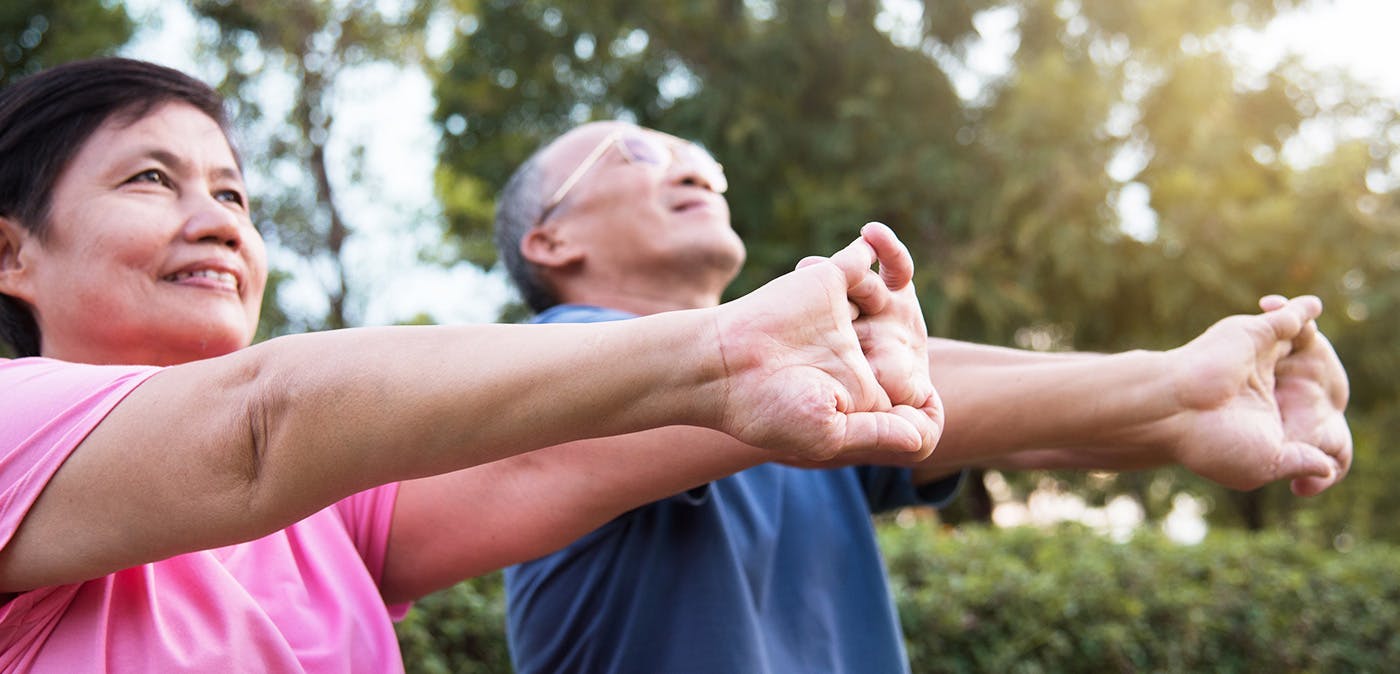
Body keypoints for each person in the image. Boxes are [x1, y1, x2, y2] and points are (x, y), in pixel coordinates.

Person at [0, 58, 945, 672]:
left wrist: (749, 376)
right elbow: (259, 423)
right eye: (150, 179)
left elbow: (544, 457)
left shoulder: (327, 512)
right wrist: (722, 347)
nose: (218, 221)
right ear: (11, 254)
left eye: (234, 193)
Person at [491, 120, 1353, 673]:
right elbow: (867, 385)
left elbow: (998, 423)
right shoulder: (550, 371)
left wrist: (1194, 405)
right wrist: (1171, 390)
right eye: (634, 150)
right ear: (550, 238)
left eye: (701, 160)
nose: (690, 167)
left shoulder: (799, 402)